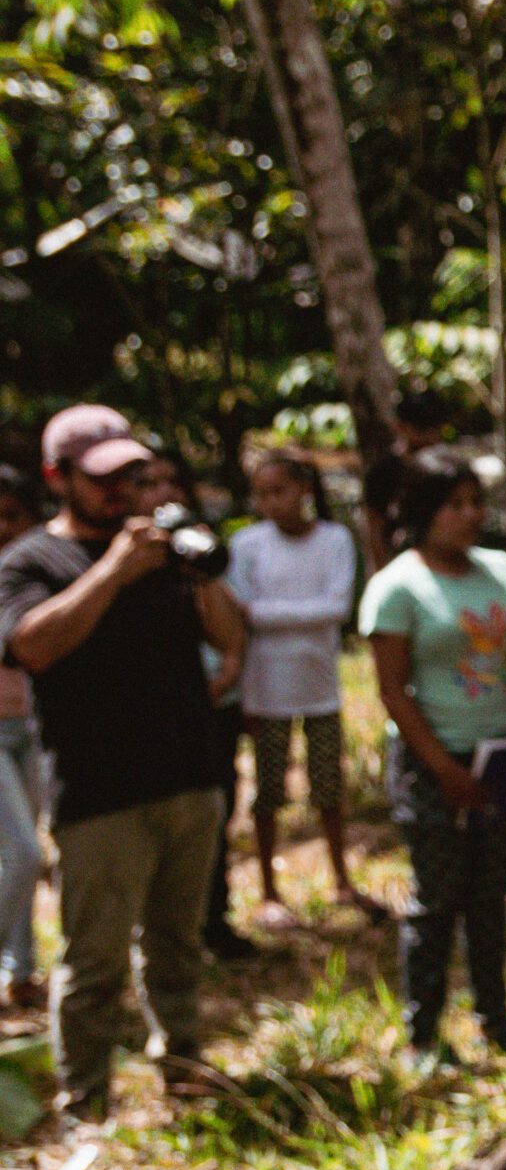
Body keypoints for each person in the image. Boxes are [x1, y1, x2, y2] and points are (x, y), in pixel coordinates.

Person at [0, 406, 240, 1116]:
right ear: (58, 477)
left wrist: (199, 568)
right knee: (95, 960)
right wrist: (113, 570)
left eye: (131, 475)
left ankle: (184, 1070)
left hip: (189, 778)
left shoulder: (165, 549)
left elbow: (231, 639)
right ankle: (86, 1103)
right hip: (100, 794)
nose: (120, 490)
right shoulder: (31, 561)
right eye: (102, 478)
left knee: (178, 944)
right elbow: (32, 646)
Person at [360, 449, 506, 1059]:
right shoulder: (397, 587)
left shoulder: (502, 570)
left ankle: (496, 1019)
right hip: (431, 763)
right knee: (437, 899)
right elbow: (392, 690)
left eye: (476, 503)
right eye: (454, 505)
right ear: (423, 511)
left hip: (502, 753)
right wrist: (445, 769)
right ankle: (423, 1034)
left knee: (490, 895)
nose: (470, 515)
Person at [226, 447, 364, 921]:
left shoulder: (335, 539)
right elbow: (241, 611)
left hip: (320, 685)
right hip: (266, 689)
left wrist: (265, 614)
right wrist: (296, 614)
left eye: (279, 491)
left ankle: (341, 878)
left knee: (329, 786)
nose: (270, 503)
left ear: (304, 489)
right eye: (262, 494)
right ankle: (268, 889)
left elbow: (337, 607)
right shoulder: (247, 545)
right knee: (268, 791)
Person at [132, 455, 256, 962]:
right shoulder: (120, 560)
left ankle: (213, 921)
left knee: (215, 812)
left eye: (172, 481)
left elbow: (233, 628)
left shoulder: (200, 549)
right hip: (153, 714)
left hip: (212, 705)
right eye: (148, 483)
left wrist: (229, 670)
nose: (164, 492)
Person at [0, 466, 47, 1007]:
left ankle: (22, 970)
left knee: (19, 852)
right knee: (24, 853)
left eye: (13, 516)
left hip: (33, 727)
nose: (4, 528)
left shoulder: (37, 575)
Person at [359, 388, 456, 571]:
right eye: (422, 429)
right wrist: (382, 573)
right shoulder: (382, 473)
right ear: (400, 427)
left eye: (435, 428)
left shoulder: (449, 469)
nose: (430, 436)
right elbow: (374, 531)